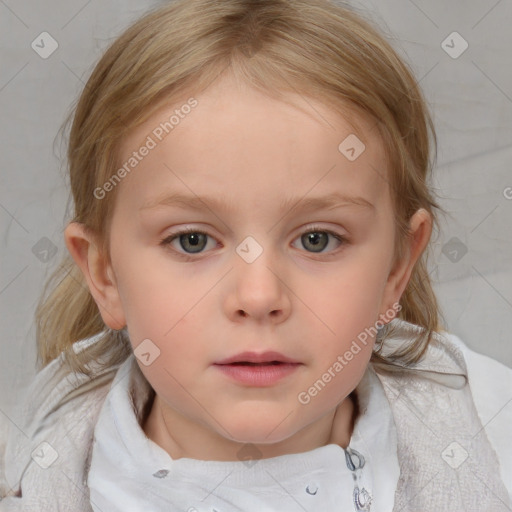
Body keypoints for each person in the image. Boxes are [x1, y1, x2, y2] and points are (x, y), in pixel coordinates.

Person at [1, 0, 511, 510]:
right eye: (192, 240)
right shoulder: (32, 485)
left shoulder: (495, 440)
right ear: (104, 273)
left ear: (397, 267)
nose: (260, 296)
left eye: (318, 239)